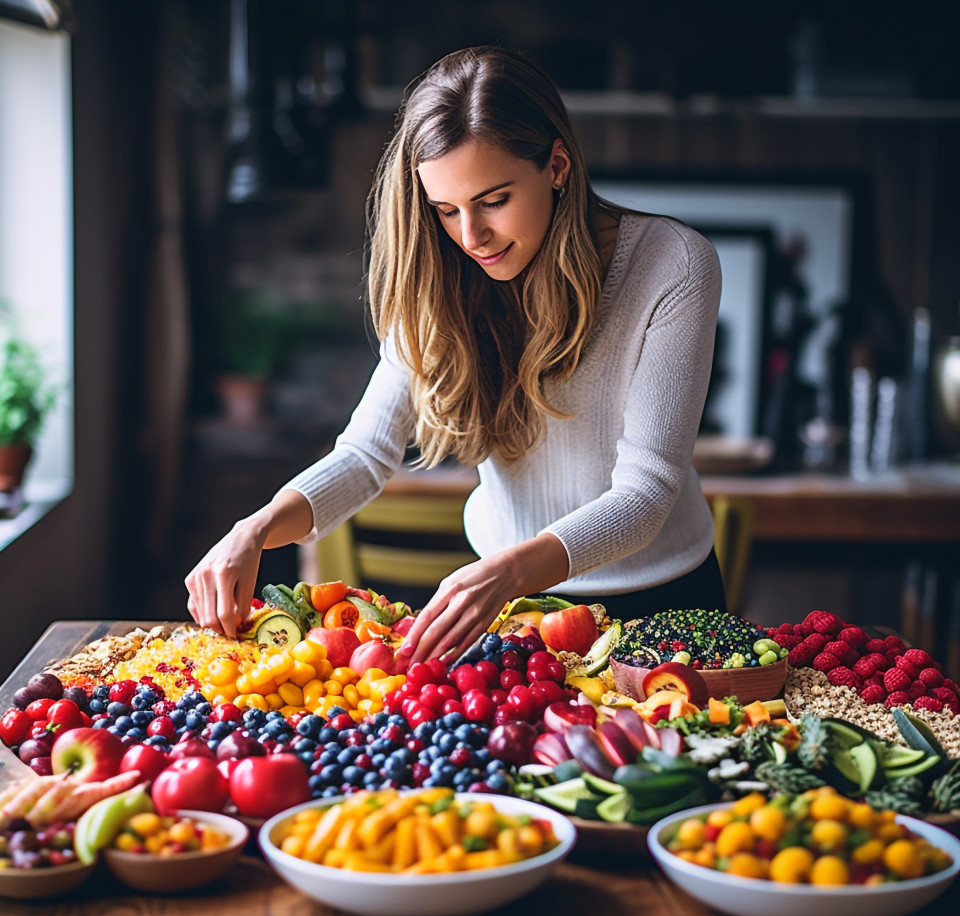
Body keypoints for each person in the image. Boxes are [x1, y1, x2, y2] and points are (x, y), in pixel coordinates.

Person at [186, 45, 725, 666]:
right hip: (515, 610)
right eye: (446, 210)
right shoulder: (440, 274)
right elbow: (366, 453)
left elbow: (647, 494)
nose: (471, 237)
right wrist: (254, 529)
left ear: (556, 165)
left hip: (663, 608)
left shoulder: (674, 264)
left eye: (494, 200)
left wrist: (507, 572)